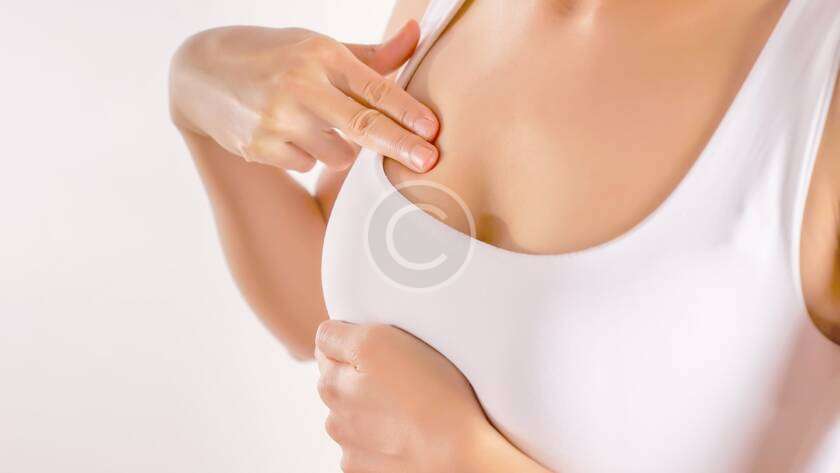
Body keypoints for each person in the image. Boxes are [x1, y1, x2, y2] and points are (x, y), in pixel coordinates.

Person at [169, 0, 840, 471]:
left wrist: (467, 460)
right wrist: (195, 87)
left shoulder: (820, 83)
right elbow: (328, 321)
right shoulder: (443, 10)